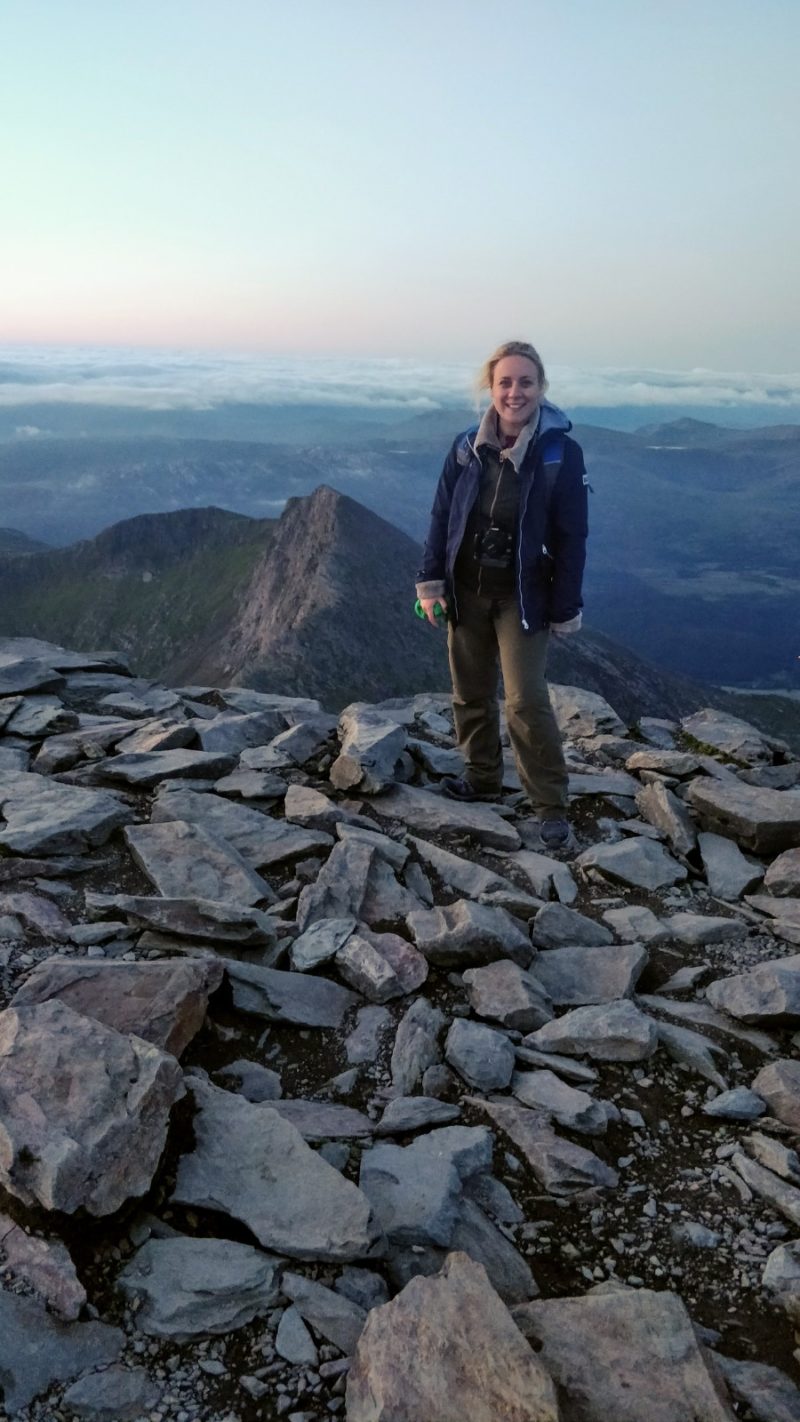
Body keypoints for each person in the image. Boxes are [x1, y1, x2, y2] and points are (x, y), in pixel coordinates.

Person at [415, 339, 588, 851]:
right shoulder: (466, 446)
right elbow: (441, 517)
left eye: (526, 382)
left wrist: (565, 606)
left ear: (541, 388)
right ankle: (482, 777)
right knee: (469, 690)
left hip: (522, 595)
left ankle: (550, 805)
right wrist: (431, 585)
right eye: (505, 382)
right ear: (490, 388)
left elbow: (571, 536)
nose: (515, 392)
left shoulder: (560, 452)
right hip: (466, 589)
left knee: (524, 700)